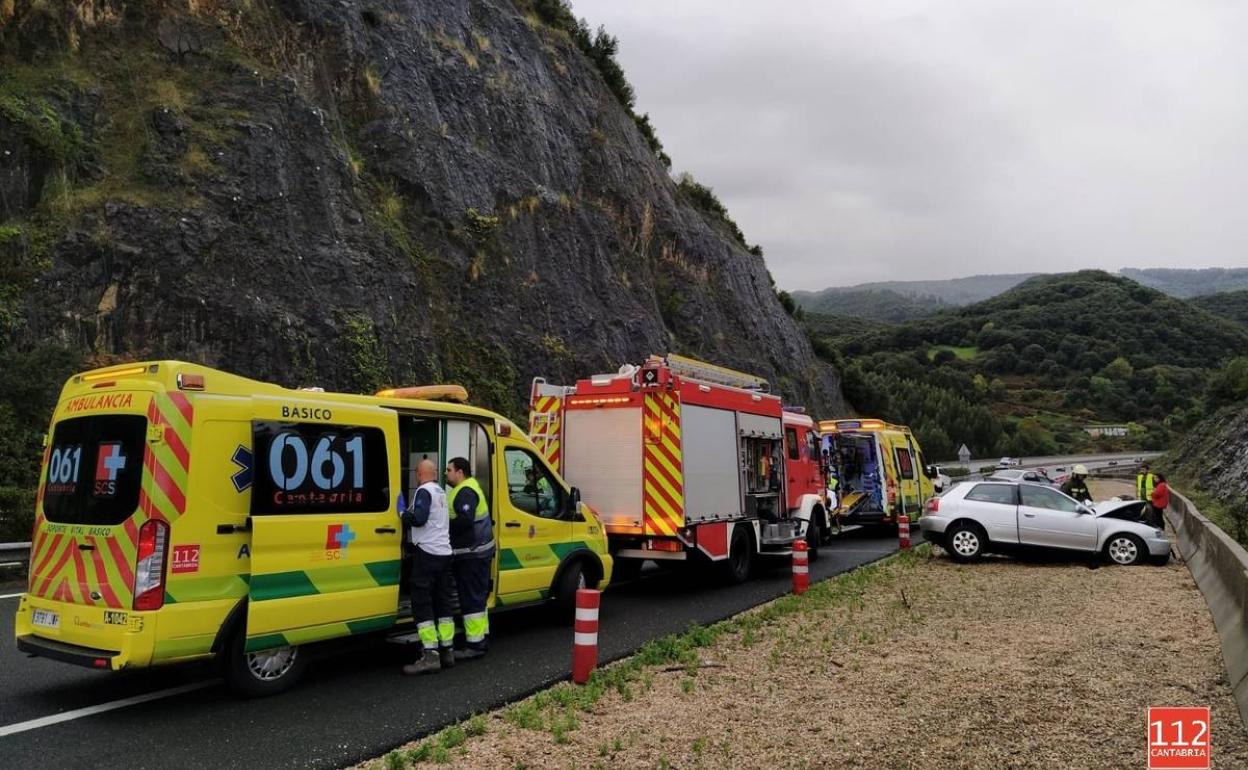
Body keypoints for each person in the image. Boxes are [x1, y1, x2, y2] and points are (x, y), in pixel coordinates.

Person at [400, 459, 456, 675]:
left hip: (428, 554)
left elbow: (419, 518)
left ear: (418, 473)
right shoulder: (441, 491)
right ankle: (447, 651)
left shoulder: (423, 491)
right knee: (443, 603)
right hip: (444, 553)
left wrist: (403, 513)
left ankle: (430, 655)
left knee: (422, 601)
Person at [447, 456, 495, 660]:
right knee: (478, 596)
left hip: (472, 554)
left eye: (449, 470)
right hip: (479, 552)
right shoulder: (470, 487)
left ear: (460, 472)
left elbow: (465, 520)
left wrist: (443, 530)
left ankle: (474, 646)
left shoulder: (465, 491)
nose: (446, 474)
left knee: (471, 597)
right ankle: (480, 638)